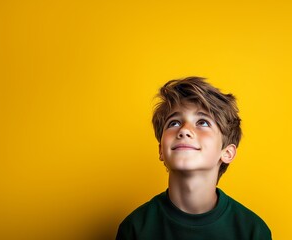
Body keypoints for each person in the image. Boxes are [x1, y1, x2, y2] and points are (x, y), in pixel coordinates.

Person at [116, 77, 271, 240]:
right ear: (161, 150)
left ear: (227, 152)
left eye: (203, 122)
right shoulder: (135, 228)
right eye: (174, 123)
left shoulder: (252, 231)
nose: (184, 130)